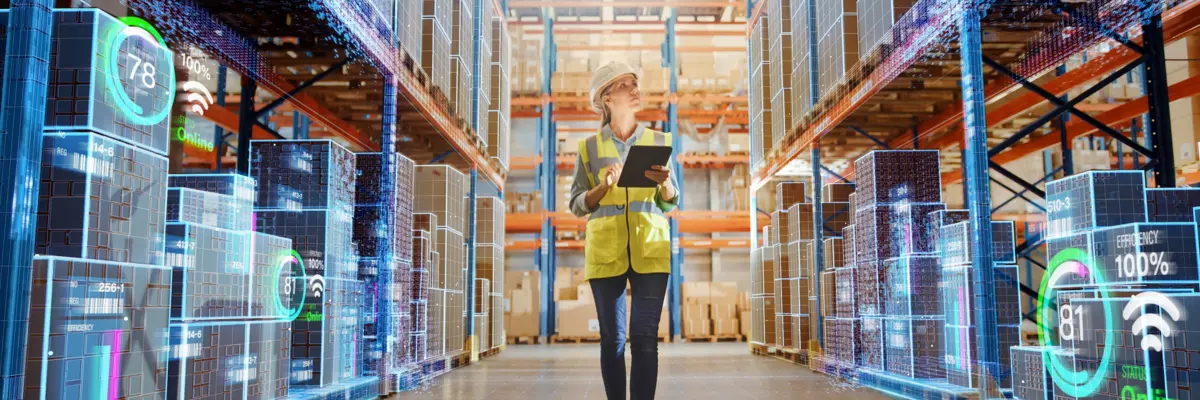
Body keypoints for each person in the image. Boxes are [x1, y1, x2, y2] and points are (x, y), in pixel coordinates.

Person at [568, 61, 679, 400]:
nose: (634, 89)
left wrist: (666, 186)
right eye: (624, 85)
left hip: (650, 250)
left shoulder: (658, 140)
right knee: (614, 341)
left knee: (645, 339)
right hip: (606, 252)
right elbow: (576, 204)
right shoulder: (588, 148)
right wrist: (602, 188)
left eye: (635, 83)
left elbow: (670, 203)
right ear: (606, 98)